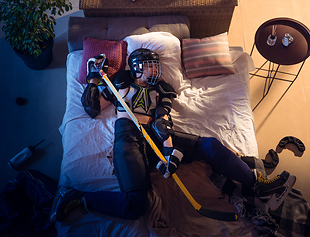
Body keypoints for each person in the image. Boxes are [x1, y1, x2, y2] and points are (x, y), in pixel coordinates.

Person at [49, 49, 296, 223]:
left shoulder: (161, 90)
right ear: (135, 67)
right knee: (136, 205)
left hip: (156, 134)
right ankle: (79, 198)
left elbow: (162, 121)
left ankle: (257, 185)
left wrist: (170, 151)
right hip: (128, 138)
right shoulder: (120, 82)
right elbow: (92, 108)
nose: (155, 70)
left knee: (208, 145)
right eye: (149, 65)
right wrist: (94, 76)